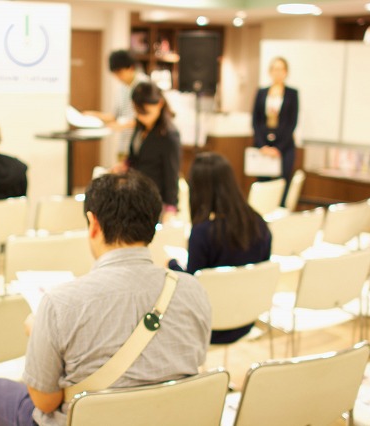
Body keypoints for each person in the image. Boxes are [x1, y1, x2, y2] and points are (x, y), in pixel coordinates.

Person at [0, 171, 211, 426]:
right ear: (153, 225)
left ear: (93, 224)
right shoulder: (192, 289)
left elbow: (45, 402)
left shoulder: (59, 304)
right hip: (168, 419)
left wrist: (39, 334)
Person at [169, 152, 272, 344]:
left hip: (208, 327)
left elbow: (192, 289)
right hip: (247, 318)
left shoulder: (202, 233)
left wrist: (173, 264)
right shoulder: (259, 224)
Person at [114, 81, 181, 219]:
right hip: (135, 194)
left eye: (146, 113)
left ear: (160, 104)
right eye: (138, 112)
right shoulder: (141, 126)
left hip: (155, 200)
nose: (141, 117)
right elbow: (136, 155)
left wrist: (170, 207)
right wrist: (125, 165)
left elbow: (172, 174)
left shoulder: (169, 135)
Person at [252, 57, 299, 205]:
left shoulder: (292, 94)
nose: (277, 73)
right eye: (274, 69)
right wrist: (263, 146)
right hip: (264, 144)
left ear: (286, 72)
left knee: (282, 183)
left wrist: (278, 148)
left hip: (284, 146)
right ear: (270, 72)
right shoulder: (262, 92)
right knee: (263, 184)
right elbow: (256, 120)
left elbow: (292, 122)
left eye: (281, 69)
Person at [84, 50, 149, 157]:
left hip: (141, 146)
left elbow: (149, 117)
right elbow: (115, 116)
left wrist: (124, 125)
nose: (117, 77)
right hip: (124, 146)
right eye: (115, 74)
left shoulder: (145, 86)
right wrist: (93, 115)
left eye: (120, 73)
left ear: (131, 68)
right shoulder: (121, 88)